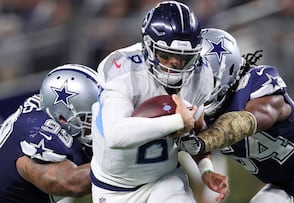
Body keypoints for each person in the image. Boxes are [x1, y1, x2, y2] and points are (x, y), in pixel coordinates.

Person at [177, 28, 294, 202]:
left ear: (224, 70)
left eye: (199, 76)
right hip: (285, 187)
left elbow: (257, 116)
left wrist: (208, 138)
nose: (193, 83)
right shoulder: (200, 108)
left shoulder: (256, 82)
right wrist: (206, 169)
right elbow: (198, 143)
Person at [90, 1, 229, 203]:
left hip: (165, 177)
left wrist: (205, 170)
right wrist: (177, 121)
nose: (176, 66)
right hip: (115, 187)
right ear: (148, 46)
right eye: (166, 56)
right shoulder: (123, 68)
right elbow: (115, 135)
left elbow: (196, 129)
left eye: (184, 58)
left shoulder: (201, 74)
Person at [0, 64, 99, 203]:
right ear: (63, 118)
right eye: (89, 119)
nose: (100, 122)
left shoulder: (51, 109)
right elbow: (69, 182)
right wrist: (118, 164)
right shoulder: (39, 135)